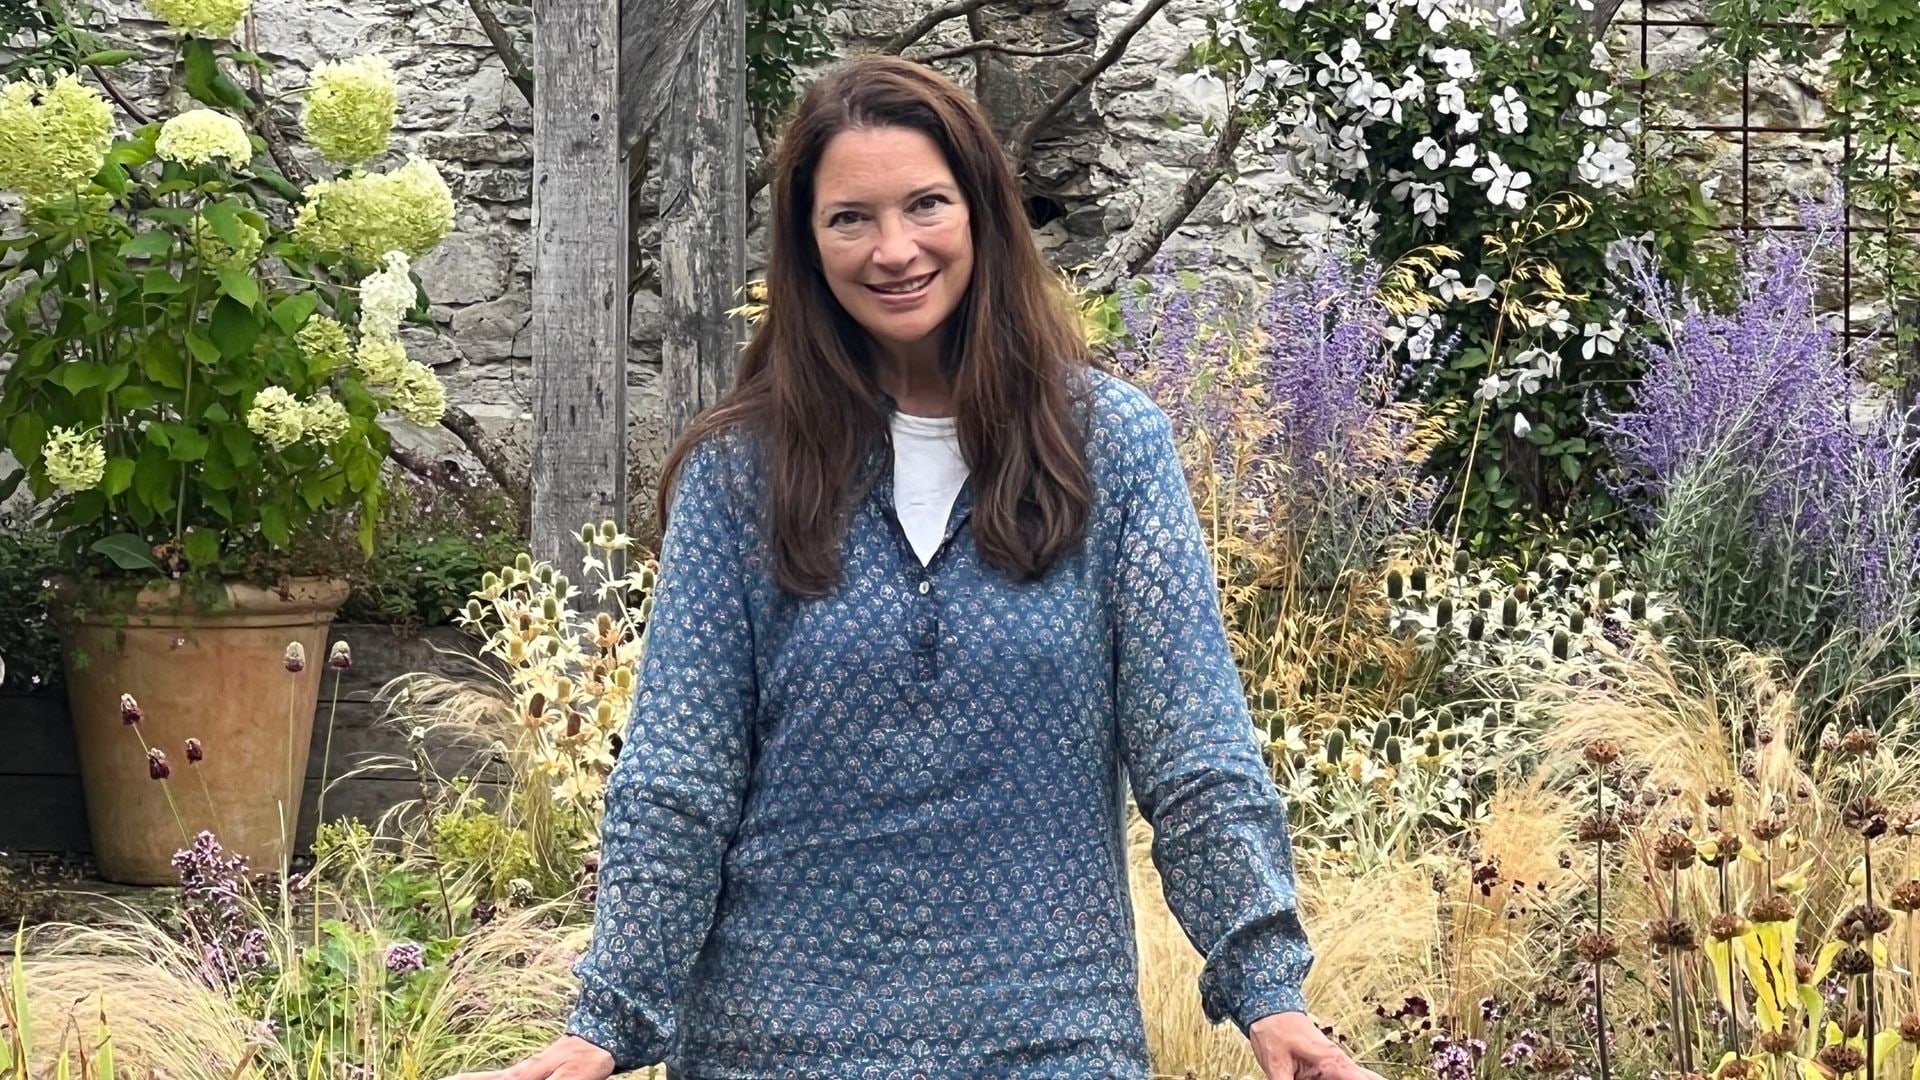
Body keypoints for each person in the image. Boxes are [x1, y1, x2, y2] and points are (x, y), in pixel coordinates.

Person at [449, 56, 1383, 1080]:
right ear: (806, 246)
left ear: (981, 212)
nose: (895, 249)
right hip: (772, 1044)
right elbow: (679, 777)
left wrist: (1266, 990)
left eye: (926, 205)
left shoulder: (1110, 448)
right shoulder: (740, 473)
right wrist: (606, 1022)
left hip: (1049, 1037)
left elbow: (1194, 751)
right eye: (850, 218)